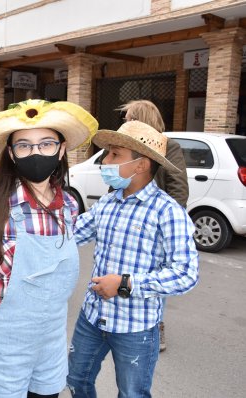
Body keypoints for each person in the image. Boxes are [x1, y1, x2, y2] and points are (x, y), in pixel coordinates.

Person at [0, 100, 98, 398]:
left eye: (46, 144)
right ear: (11, 153)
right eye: (24, 145)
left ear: (61, 150)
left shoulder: (69, 206)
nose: (36, 153)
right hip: (3, 341)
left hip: (52, 336)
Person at [67, 121, 199, 398]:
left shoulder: (168, 212)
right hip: (92, 317)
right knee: (76, 380)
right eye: (107, 154)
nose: (105, 160)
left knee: (132, 393)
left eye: (115, 154)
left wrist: (125, 283)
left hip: (135, 328)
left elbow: (186, 274)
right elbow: (71, 235)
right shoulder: (108, 203)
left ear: (141, 165)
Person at [118, 99, 189, 352]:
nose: (125, 122)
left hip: (154, 224)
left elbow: (179, 187)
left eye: (128, 118)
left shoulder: (169, 147)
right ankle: (124, 320)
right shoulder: (127, 147)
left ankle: (156, 326)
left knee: (154, 275)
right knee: (127, 271)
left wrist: (166, 223)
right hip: (127, 221)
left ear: (140, 119)